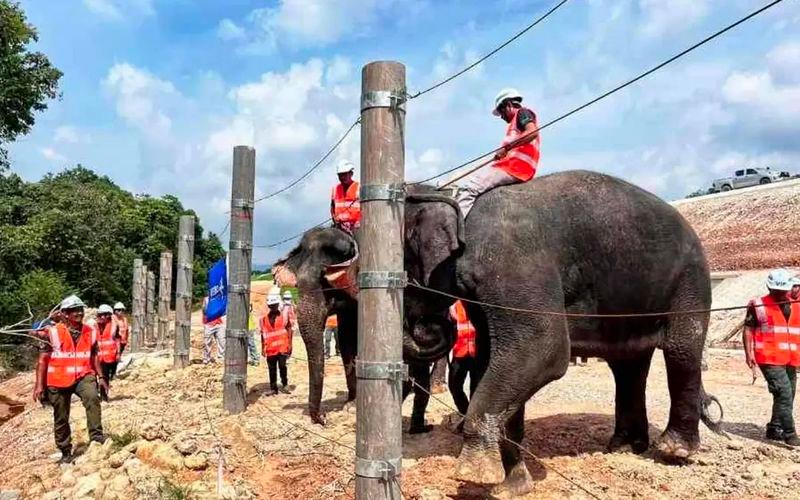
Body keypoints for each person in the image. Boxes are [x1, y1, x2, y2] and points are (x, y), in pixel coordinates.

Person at [32, 295, 107, 464]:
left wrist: (101, 376)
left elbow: (94, 354)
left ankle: (97, 437)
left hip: (83, 375)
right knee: (61, 416)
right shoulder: (52, 333)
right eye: (74, 310)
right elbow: (42, 360)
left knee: (92, 397)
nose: (79, 313)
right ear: (65, 313)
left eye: (80, 309)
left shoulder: (90, 331)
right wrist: (39, 385)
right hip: (58, 380)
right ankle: (65, 451)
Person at [456, 88, 540, 217]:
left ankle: (452, 231)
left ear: (508, 105)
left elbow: (532, 132)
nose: (501, 117)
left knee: (470, 188)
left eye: (501, 112)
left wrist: (506, 148)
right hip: (514, 168)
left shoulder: (523, 113)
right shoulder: (514, 124)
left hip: (515, 168)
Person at [743, 269, 800, 446]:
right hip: (768, 357)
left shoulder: (797, 303)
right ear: (769, 287)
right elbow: (748, 329)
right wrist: (748, 353)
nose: (780, 294)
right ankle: (790, 434)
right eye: (776, 291)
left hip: (791, 357)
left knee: (788, 394)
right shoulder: (758, 304)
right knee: (783, 393)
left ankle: (775, 427)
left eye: (783, 291)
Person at [447, 300, 479, 416]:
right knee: (454, 385)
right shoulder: (455, 305)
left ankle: (472, 417)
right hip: (460, 351)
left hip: (477, 353)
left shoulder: (479, 303)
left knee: (475, 389)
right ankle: (465, 413)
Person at [260, 292, 292, 395]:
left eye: (275, 305)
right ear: (269, 306)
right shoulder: (264, 319)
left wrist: (290, 344)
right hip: (270, 349)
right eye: (271, 306)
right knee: (272, 369)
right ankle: (273, 388)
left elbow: (289, 329)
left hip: (282, 348)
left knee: (282, 366)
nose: (273, 307)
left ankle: (285, 384)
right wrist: (262, 348)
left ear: (278, 305)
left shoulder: (284, 316)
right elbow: (263, 334)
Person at [95, 304, 120, 401]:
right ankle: (98, 395)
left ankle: (104, 395)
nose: (103, 317)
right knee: (96, 377)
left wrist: (118, 353)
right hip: (97, 356)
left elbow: (117, 339)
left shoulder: (113, 326)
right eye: (101, 315)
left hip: (109, 356)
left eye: (105, 315)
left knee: (105, 376)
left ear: (109, 315)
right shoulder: (94, 325)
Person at [330, 159, 361, 234]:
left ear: (351, 173)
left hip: (356, 228)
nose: (342, 177)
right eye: (340, 175)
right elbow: (332, 208)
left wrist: (358, 222)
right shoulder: (335, 189)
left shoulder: (358, 187)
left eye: (344, 174)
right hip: (340, 227)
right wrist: (336, 222)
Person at [202, 295, 225, 364]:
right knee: (207, 342)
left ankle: (221, 358)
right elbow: (205, 311)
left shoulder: (221, 299)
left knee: (222, 342)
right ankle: (206, 358)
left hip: (219, 323)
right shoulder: (206, 299)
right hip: (209, 324)